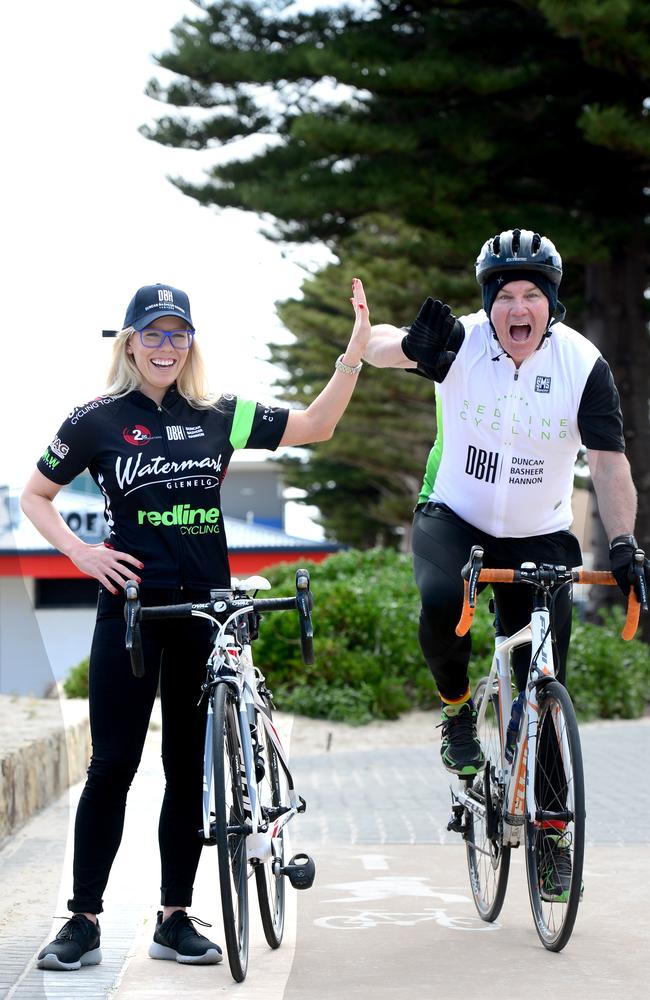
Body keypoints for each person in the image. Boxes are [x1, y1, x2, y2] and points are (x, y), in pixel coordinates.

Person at [21, 278, 370, 971]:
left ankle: (174, 917)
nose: (166, 346)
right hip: (131, 612)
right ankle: (83, 921)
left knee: (188, 771)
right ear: (130, 343)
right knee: (112, 765)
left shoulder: (221, 414)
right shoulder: (96, 418)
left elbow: (316, 426)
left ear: (191, 343)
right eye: (152, 334)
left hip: (207, 612)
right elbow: (36, 495)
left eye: (177, 333)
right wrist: (82, 553)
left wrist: (353, 353)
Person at [362, 227, 649, 896]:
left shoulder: (583, 364)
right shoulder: (460, 341)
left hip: (541, 534)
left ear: (551, 304)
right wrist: (405, 346)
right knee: (441, 603)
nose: (517, 310)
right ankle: (458, 710)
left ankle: (553, 835)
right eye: (504, 297)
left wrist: (626, 545)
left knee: (545, 691)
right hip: (454, 519)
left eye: (531, 296)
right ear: (488, 303)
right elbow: (377, 350)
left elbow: (609, 464)